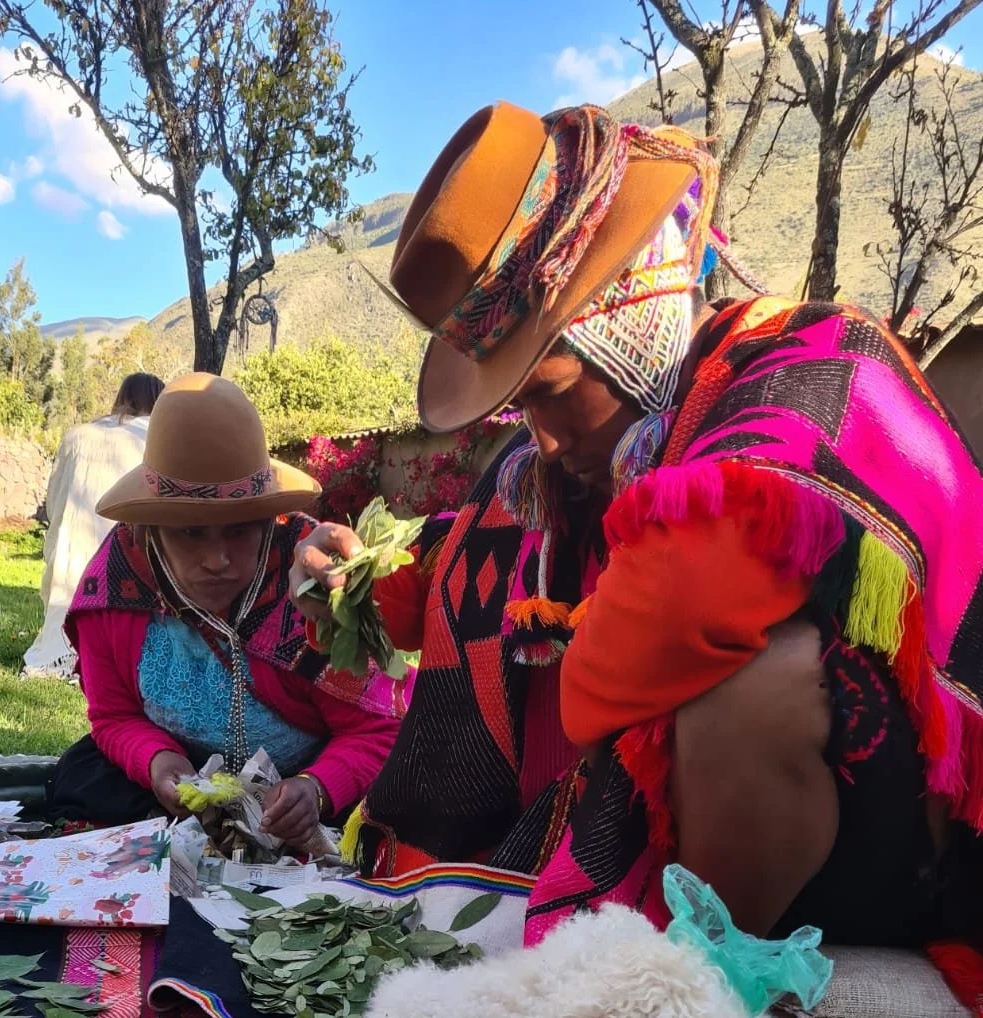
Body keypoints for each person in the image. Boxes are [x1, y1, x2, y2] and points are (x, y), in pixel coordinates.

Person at [292, 101, 983, 949]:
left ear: (627, 319)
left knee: (755, 679)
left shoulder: (819, 364)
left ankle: (699, 977)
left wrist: (584, 662)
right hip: (715, 823)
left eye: (546, 392)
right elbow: (455, 573)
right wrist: (359, 574)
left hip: (907, 840)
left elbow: (700, 582)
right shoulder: (570, 461)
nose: (540, 436)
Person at [47, 373, 409, 848]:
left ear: (268, 521)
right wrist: (159, 762)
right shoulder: (115, 587)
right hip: (183, 768)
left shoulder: (314, 583)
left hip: (301, 778)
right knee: (78, 778)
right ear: (148, 529)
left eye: (239, 530)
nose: (217, 561)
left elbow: (378, 727)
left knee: (399, 808)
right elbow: (113, 717)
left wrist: (317, 790)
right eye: (191, 532)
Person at [23, 372, 165, 679]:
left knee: (72, 585)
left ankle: (63, 653)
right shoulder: (156, 434)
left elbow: (55, 495)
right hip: (126, 537)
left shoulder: (78, 434)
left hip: (75, 534)